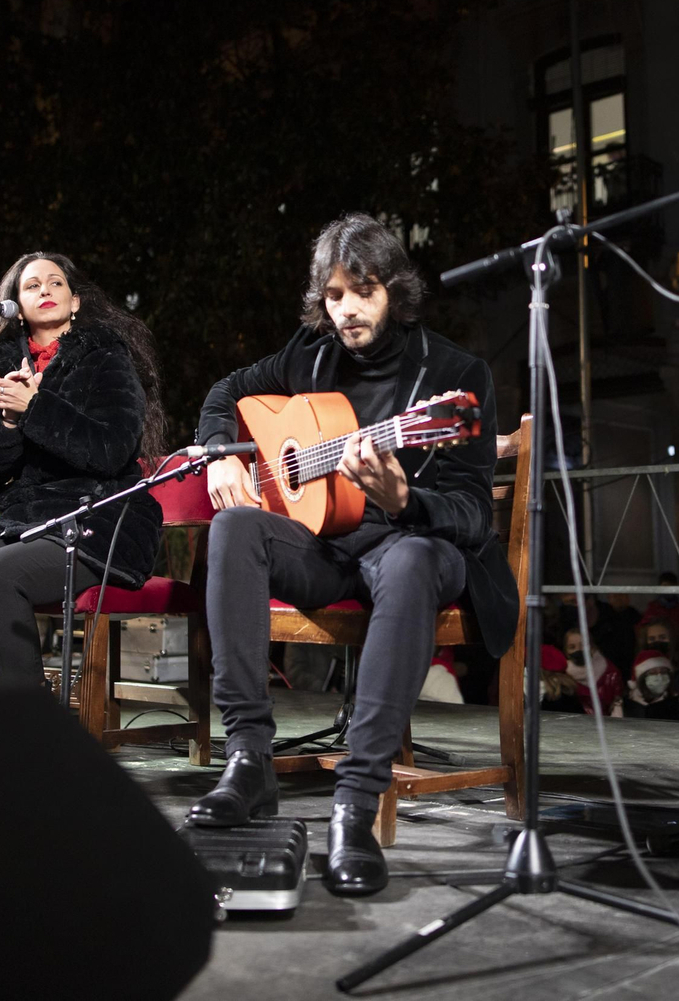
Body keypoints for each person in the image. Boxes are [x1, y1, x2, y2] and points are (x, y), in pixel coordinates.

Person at [184, 213, 517, 898]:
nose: (347, 309)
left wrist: (403, 499)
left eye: (362, 290)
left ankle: (355, 803)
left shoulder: (455, 374)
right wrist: (220, 452)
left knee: (412, 559)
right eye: (335, 294)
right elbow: (226, 391)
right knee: (234, 529)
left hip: (415, 547)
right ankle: (248, 758)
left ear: (394, 288)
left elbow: (472, 515)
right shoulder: (309, 354)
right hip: (328, 547)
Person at [0, 253, 166, 684]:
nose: (44, 290)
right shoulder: (4, 366)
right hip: (28, 521)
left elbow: (112, 450)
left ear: (75, 302)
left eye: (55, 283)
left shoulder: (105, 355)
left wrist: (35, 409)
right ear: (16, 306)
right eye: (31, 286)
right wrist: (8, 421)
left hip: (100, 521)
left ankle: (27, 713)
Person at [562, 625, 624, 717]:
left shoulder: (610, 672)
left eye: (583, 645)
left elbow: (617, 703)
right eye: (572, 647)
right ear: (566, 651)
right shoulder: (563, 676)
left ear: (592, 646)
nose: (578, 650)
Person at [621, 647, 679, 721]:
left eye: (663, 672)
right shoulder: (622, 708)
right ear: (641, 678)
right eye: (652, 673)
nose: (659, 676)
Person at [637, 571, 679, 638]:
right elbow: (644, 629)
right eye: (665, 586)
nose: (668, 590)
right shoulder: (652, 608)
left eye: (672, 587)